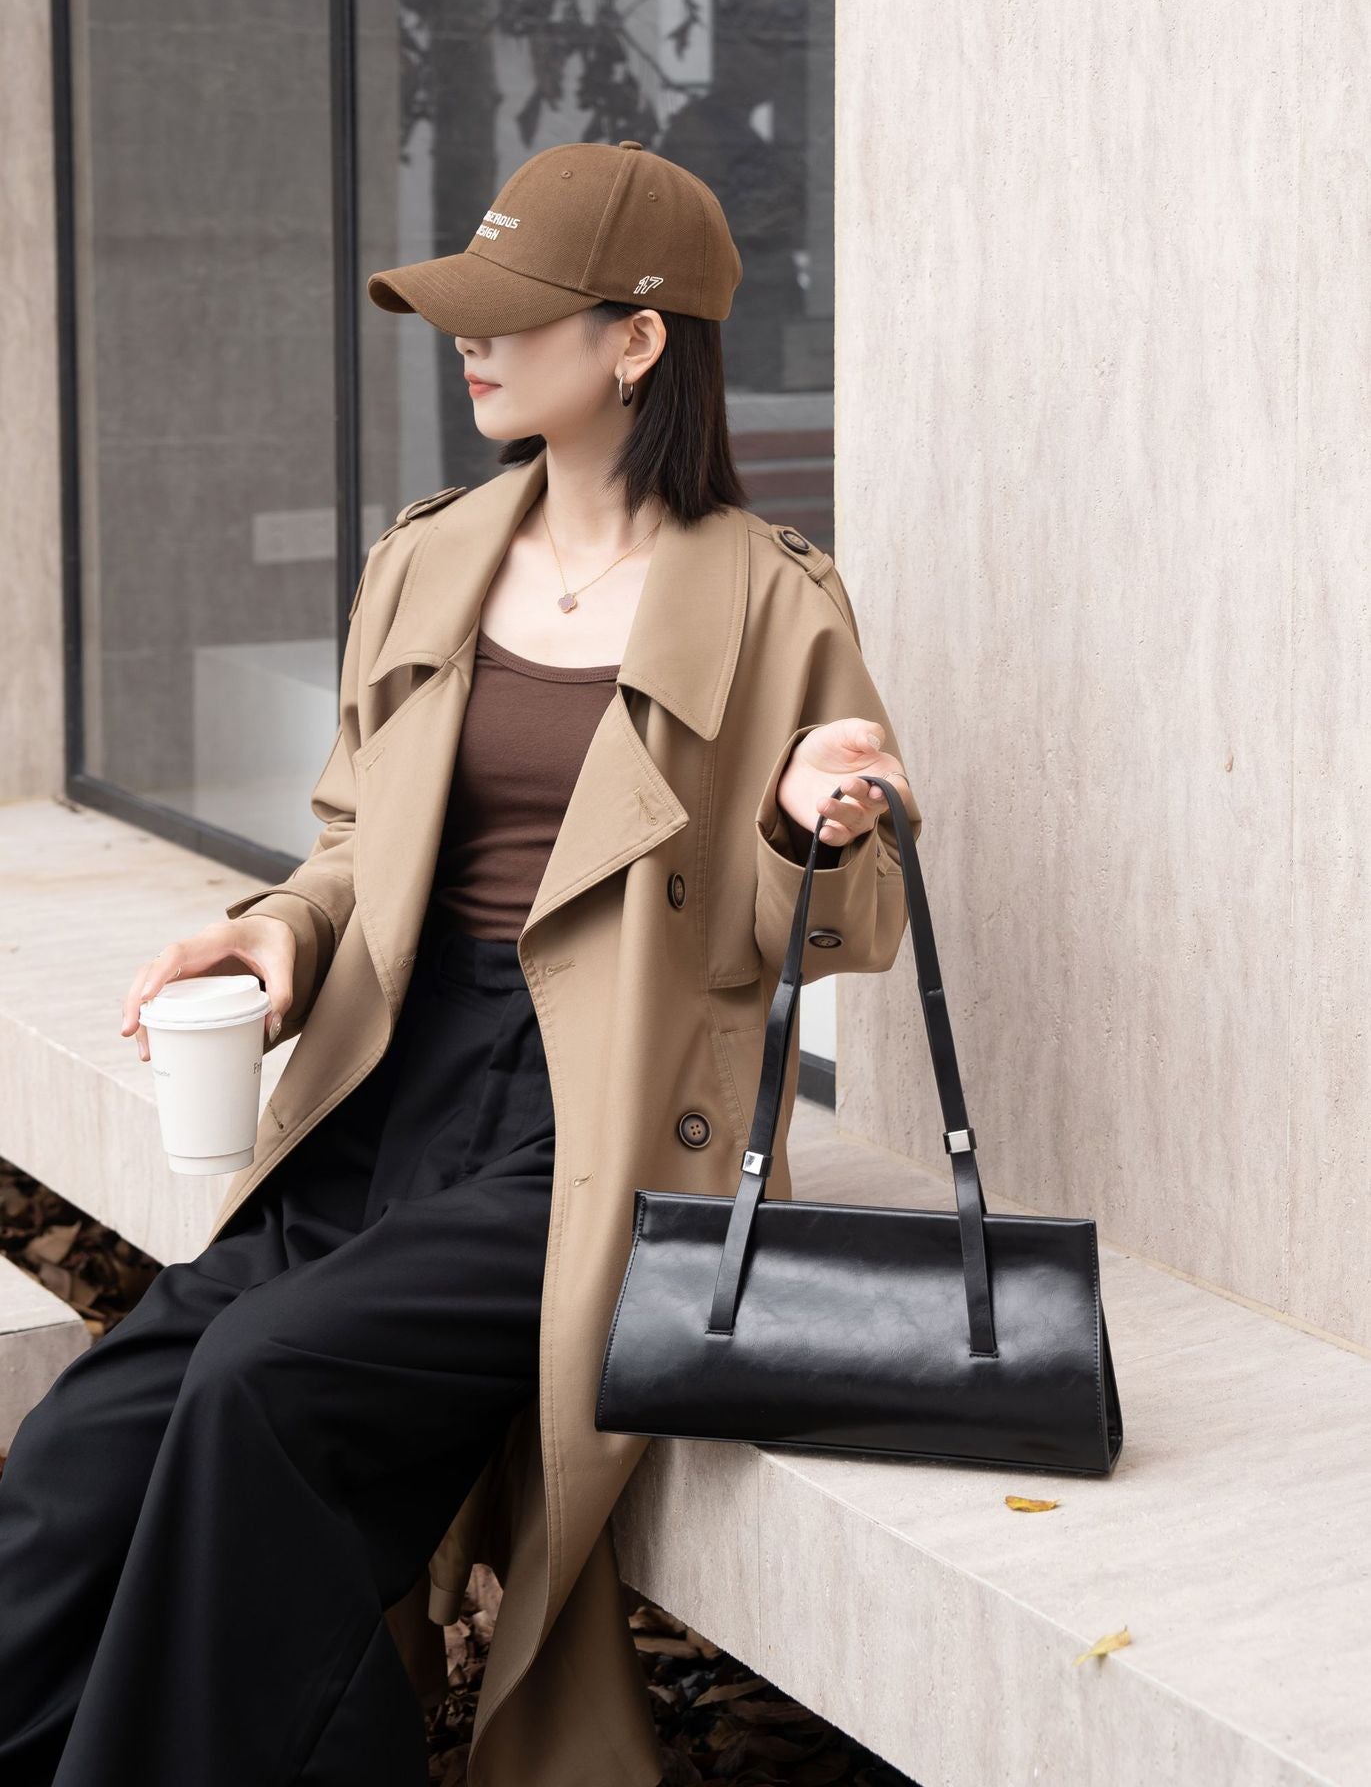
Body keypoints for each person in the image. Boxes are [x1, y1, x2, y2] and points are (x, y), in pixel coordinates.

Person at [0, 138, 919, 1787]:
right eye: (460, 311)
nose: (467, 340)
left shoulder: (778, 607)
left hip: (597, 1133)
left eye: (510, 312)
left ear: (638, 340)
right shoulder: (432, 557)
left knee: (263, 1393)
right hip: (387, 1079)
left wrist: (807, 831)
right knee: (88, 1444)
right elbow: (357, 840)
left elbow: (837, 942)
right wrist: (278, 931)